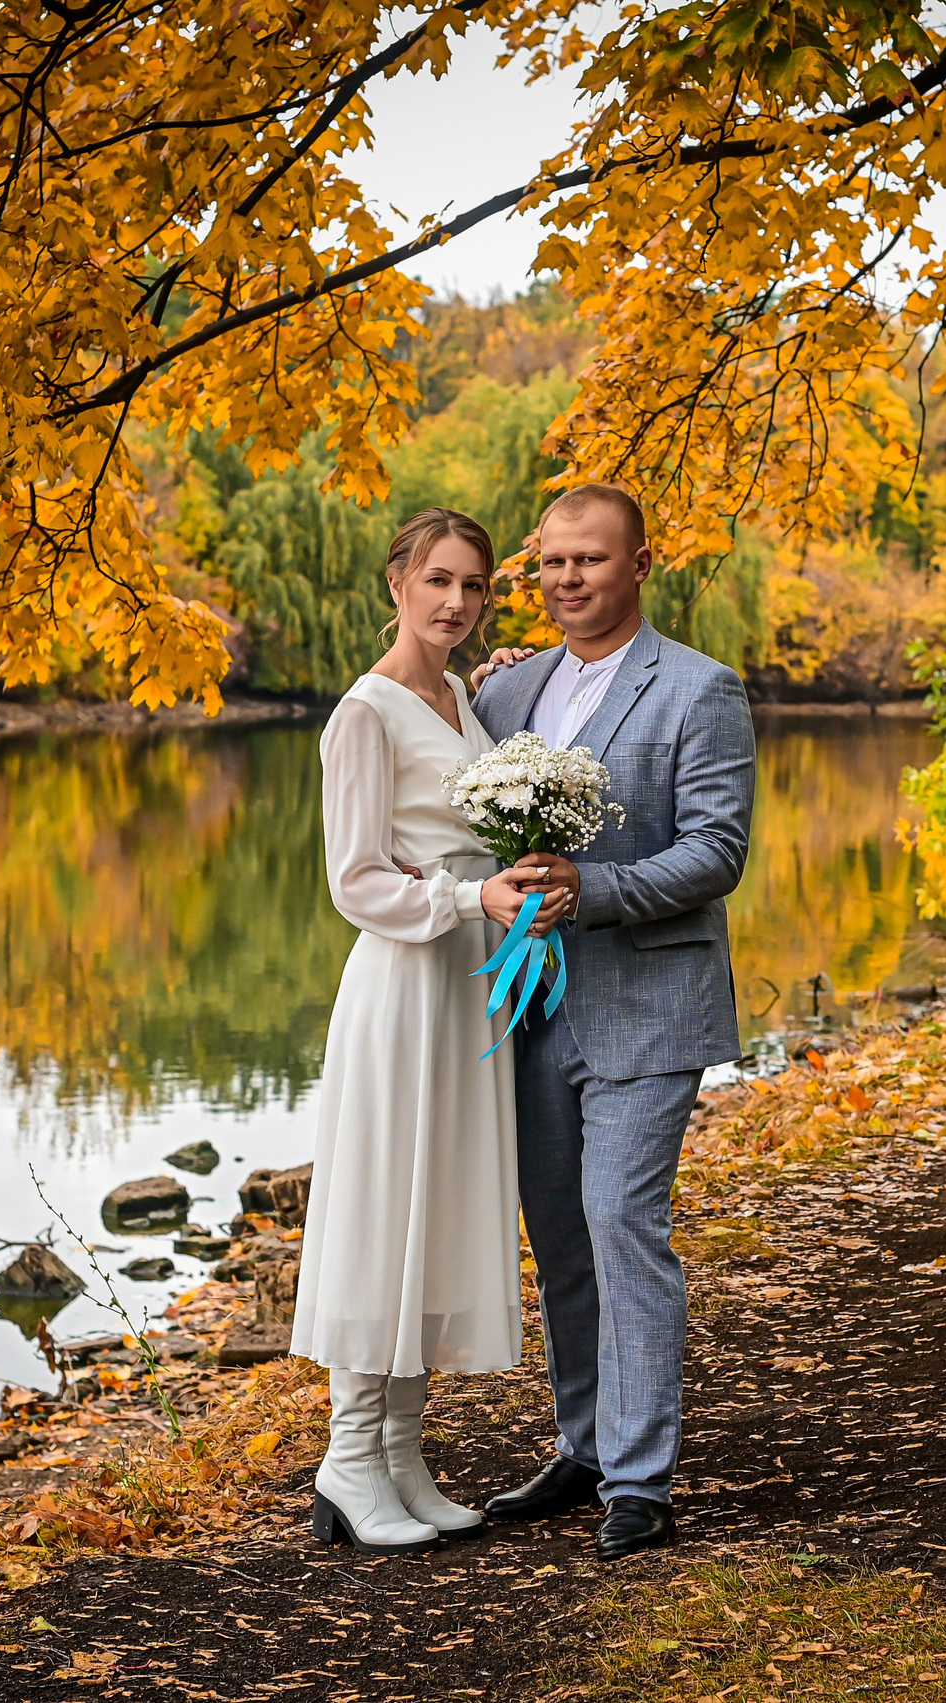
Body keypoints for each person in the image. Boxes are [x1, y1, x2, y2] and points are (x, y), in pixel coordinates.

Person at [471, 483, 756, 1562]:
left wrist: (594, 886)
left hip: (648, 1004)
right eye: (550, 563)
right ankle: (582, 1445)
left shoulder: (699, 688)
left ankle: (641, 1481)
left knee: (622, 1225)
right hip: (529, 1004)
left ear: (640, 564)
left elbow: (715, 852)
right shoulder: (510, 692)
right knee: (559, 1239)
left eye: (589, 560)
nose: (567, 579)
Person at [290, 507, 568, 1555]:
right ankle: (349, 1454)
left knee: (436, 1210)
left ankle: (403, 1451)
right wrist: (467, 903)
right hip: (406, 982)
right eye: (438, 580)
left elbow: (482, 816)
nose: (456, 600)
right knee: (383, 1211)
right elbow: (356, 879)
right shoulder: (363, 712)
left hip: (471, 984)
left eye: (476, 585)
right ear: (396, 582)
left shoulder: (458, 694)